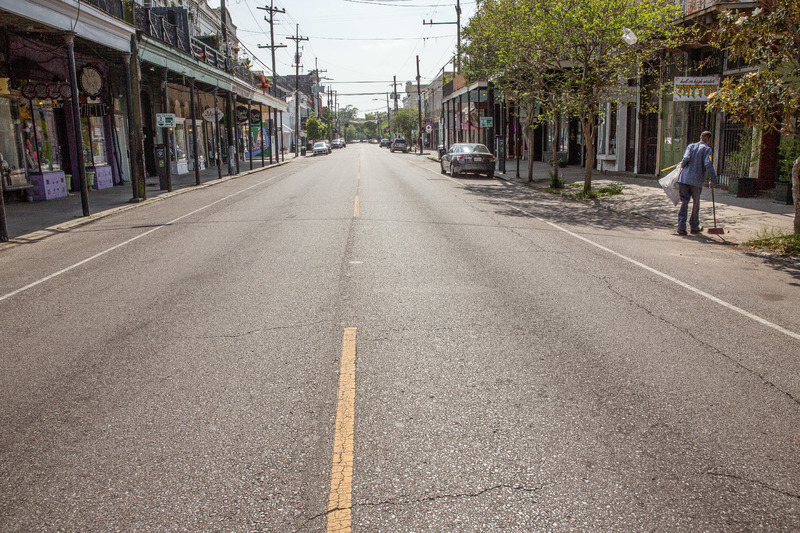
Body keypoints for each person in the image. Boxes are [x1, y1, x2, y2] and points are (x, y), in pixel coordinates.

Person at [676, 130, 718, 235]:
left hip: (684, 178)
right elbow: (708, 163)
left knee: (684, 202)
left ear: (700, 137)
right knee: (696, 203)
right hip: (696, 180)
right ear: (708, 139)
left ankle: (681, 226)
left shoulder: (691, 146)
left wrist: (682, 165)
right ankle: (694, 226)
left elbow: (685, 159)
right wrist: (713, 178)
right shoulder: (707, 149)